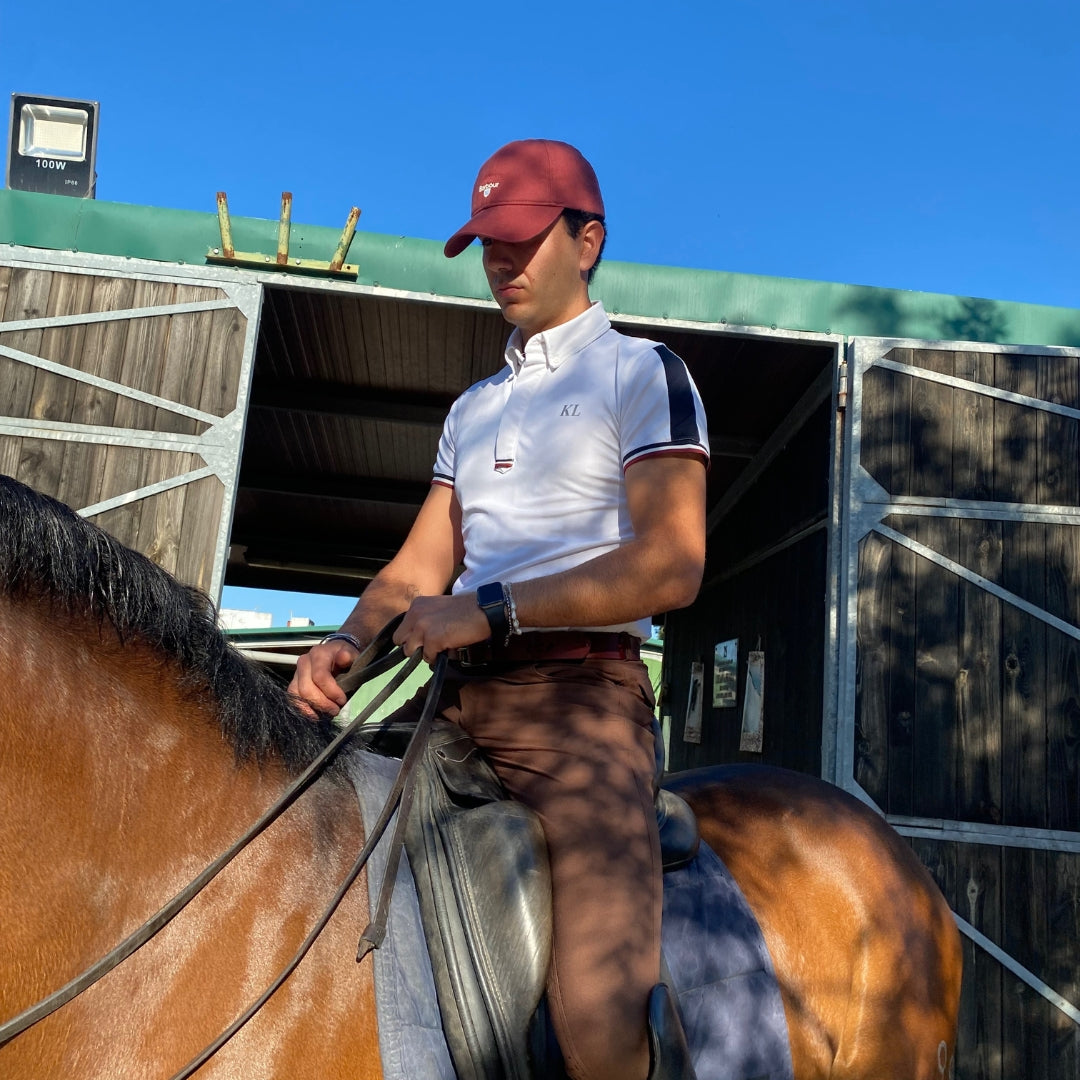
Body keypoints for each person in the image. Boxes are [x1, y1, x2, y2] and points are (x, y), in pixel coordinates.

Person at [289, 138, 709, 1080]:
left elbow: (672, 565)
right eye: (488, 243)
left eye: (522, 238)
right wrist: (347, 639)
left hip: (582, 714)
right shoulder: (473, 408)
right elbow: (417, 565)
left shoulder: (643, 373)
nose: (500, 261)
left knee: (599, 1022)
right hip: (455, 705)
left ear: (587, 241)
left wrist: (489, 608)